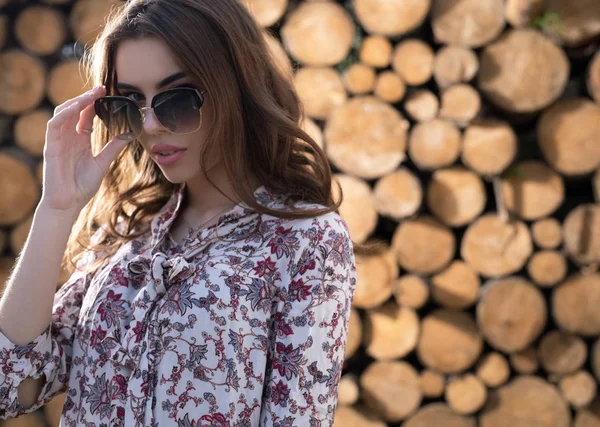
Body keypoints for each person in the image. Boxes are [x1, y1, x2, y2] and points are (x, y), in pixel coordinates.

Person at [0, 0, 361, 425]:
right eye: (130, 103)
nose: (150, 125)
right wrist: (55, 209)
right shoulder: (127, 227)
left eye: (179, 99)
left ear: (236, 88)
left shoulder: (305, 239)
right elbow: (12, 386)